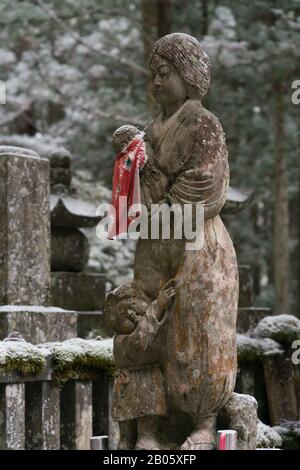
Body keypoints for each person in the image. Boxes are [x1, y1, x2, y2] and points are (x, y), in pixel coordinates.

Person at [133, 33, 239, 450]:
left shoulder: (203, 124)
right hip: (156, 236)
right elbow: (139, 183)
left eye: (166, 73)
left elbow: (209, 184)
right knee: (147, 323)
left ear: (189, 76)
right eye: (153, 74)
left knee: (197, 327)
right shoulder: (149, 129)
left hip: (197, 239)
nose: (157, 82)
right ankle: (148, 425)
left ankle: (203, 420)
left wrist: (166, 193)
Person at [104, 279, 176, 450]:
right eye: (123, 315)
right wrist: (158, 305)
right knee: (138, 440)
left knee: (135, 439)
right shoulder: (122, 341)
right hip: (144, 387)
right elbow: (140, 340)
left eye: (133, 305)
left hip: (134, 388)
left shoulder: (149, 328)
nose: (130, 313)